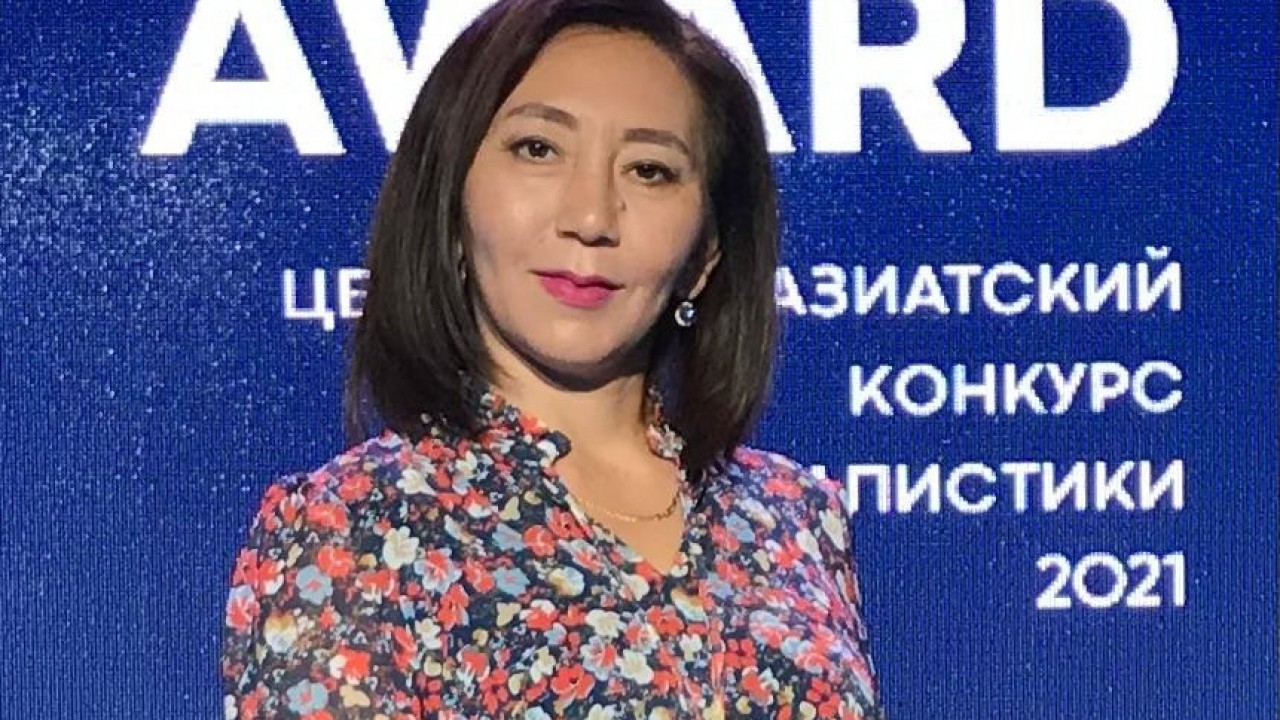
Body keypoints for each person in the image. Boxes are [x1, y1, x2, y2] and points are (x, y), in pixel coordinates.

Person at [220, 0, 885, 717]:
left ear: (706, 254)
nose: (591, 218)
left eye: (650, 170)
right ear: (452, 201)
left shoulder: (793, 514)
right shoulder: (354, 525)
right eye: (538, 149)